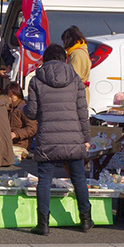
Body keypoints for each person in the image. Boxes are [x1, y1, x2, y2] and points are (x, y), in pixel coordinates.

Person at [24, 44, 92, 235]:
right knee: (78, 178)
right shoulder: (75, 79)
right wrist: (86, 138)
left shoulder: (37, 80)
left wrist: (23, 107)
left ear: (45, 60)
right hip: (73, 137)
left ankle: (43, 224)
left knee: (44, 180)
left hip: (48, 138)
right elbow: (82, 111)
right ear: (64, 59)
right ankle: (86, 219)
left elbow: (31, 113)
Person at [61, 26, 91, 106]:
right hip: (80, 91)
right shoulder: (81, 50)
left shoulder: (77, 54)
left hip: (77, 94)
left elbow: (74, 76)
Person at [5, 82, 37, 149]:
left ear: (18, 94)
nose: (10, 99)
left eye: (12, 96)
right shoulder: (8, 108)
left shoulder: (24, 108)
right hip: (9, 143)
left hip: (21, 144)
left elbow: (32, 128)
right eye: (8, 96)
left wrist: (15, 134)